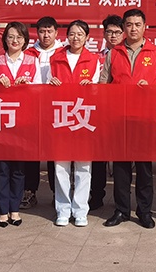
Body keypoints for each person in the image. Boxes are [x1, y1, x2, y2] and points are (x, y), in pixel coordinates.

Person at [99, 8, 156, 229]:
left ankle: (144, 211)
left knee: (144, 168)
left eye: (138, 24)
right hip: (119, 117)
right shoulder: (114, 53)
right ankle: (121, 210)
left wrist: (151, 88)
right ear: (124, 28)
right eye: (129, 25)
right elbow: (103, 83)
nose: (133, 29)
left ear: (145, 27)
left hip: (145, 117)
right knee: (121, 167)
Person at [48, 20, 102, 227]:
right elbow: (46, 85)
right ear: (66, 36)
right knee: (60, 166)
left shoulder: (94, 60)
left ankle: (80, 210)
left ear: (87, 37)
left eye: (80, 34)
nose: (75, 37)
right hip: (61, 117)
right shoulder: (56, 58)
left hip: (84, 118)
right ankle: (62, 210)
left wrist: (92, 87)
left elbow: (99, 89)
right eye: (72, 34)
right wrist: (51, 85)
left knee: (83, 167)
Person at [0, 21, 41, 227]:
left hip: (23, 122)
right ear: (5, 39)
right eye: (10, 36)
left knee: (19, 169)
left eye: (19, 37)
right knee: (2, 168)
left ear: (25, 40)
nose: (15, 40)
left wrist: (28, 85)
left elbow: (39, 89)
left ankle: (15, 209)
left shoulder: (32, 61)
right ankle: (2, 210)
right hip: (1, 122)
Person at [22, 16, 63, 209]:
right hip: (33, 108)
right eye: (42, 31)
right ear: (36, 33)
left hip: (57, 108)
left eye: (49, 31)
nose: (46, 35)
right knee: (32, 151)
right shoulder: (28, 53)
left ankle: (58, 193)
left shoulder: (64, 52)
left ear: (56, 33)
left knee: (56, 152)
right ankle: (30, 191)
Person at [90, 14, 126, 211]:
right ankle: (97, 195)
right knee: (98, 157)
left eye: (117, 32)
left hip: (122, 112)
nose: (113, 36)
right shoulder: (95, 57)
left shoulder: (126, 55)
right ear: (103, 34)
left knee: (122, 158)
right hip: (99, 112)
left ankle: (123, 200)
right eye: (109, 32)